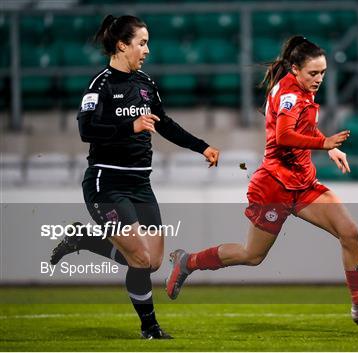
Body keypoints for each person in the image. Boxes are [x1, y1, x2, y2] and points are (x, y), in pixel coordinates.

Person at [166, 36, 358, 325]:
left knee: (350, 231)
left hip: (303, 183)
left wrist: (330, 148)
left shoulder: (301, 89)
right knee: (252, 255)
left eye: (323, 72)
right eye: (313, 73)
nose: (319, 78)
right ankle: (188, 261)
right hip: (274, 186)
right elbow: (284, 135)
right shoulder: (289, 95)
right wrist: (324, 143)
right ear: (295, 69)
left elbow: (302, 127)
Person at [49, 15, 220, 339]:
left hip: (140, 183)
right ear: (121, 45)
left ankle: (83, 239)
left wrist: (202, 147)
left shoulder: (144, 84)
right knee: (139, 258)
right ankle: (150, 328)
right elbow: (86, 130)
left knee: (152, 261)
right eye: (141, 43)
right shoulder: (100, 85)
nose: (147, 50)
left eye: (147, 43)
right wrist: (131, 126)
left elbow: (164, 123)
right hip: (106, 182)